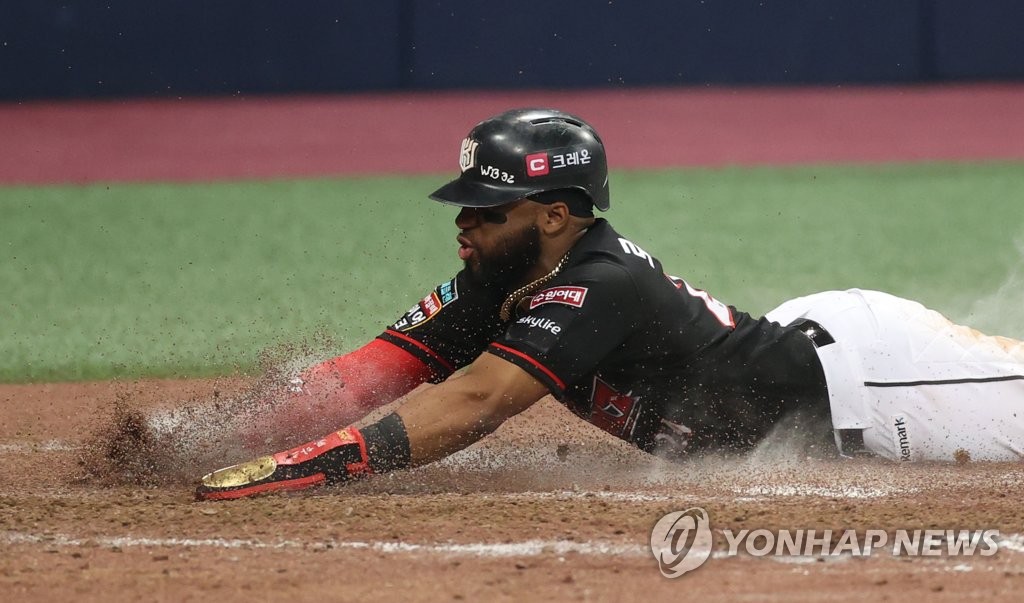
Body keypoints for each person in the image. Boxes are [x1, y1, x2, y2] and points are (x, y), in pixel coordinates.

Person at [195, 108, 1024, 501]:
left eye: (488, 208)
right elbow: (371, 372)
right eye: (465, 204)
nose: (465, 224)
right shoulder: (496, 281)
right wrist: (212, 440)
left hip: (875, 387)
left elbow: (476, 399)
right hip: (809, 360)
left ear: (555, 215)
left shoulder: (600, 283)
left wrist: (307, 464)